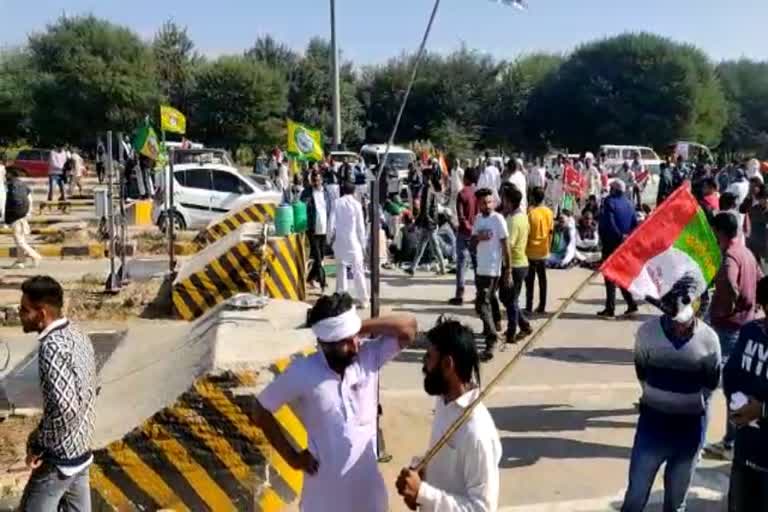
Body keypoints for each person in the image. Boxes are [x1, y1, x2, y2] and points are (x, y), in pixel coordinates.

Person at [253, 293, 417, 512]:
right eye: (345, 342)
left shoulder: (369, 355)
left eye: (354, 337)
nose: (355, 346)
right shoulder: (303, 371)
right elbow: (259, 410)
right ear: (326, 344)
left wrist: (356, 328)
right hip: (323, 501)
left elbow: (409, 327)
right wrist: (292, 458)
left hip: (369, 498)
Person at [620, 280, 721, 512]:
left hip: (689, 433)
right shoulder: (646, 333)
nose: (680, 326)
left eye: (685, 321)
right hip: (651, 429)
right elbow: (642, 373)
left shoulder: (709, 340)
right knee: (635, 496)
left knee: (676, 503)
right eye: (675, 320)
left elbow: (710, 384)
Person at [396, 319, 501, 511]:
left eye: (429, 357)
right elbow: (445, 463)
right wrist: (421, 472)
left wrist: (423, 493)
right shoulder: (444, 400)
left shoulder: (477, 431)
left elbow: (482, 508)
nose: (424, 365)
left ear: (447, 364)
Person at [18, 276, 96, 511]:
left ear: (41, 314)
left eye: (24, 310)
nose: (19, 314)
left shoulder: (52, 347)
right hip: (81, 451)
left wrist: (38, 443)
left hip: (59, 460)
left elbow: (65, 408)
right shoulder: (77, 333)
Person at [704, 212, 762, 460]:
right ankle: (732, 439)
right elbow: (760, 279)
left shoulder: (729, 257)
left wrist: (732, 305)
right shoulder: (747, 253)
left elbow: (728, 284)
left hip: (728, 327)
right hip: (744, 325)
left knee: (724, 386)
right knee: (737, 388)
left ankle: (729, 443)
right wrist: (752, 306)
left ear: (720, 232)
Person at [724, 276, 768, 510]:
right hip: (745, 449)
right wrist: (736, 402)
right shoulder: (750, 332)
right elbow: (731, 373)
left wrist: (761, 410)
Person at [472, 188, 510, 361]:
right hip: (480, 268)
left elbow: (505, 245)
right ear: (478, 204)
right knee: (487, 299)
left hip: (493, 269)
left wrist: (507, 269)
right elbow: (472, 243)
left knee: (482, 303)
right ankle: (495, 323)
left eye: (489, 202)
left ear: (493, 202)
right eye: (483, 203)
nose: (487, 206)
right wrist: (478, 238)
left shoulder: (498, 219)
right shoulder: (478, 219)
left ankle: (491, 339)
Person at [598, 180, 639, 318]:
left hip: (611, 243)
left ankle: (610, 308)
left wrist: (619, 236)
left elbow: (610, 222)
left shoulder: (609, 201)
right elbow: (634, 223)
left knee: (609, 276)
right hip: (625, 245)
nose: (609, 189)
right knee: (620, 274)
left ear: (614, 189)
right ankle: (631, 303)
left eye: (611, 187)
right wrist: (627, 237)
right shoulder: (629, 203)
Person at [500, 185, 532, 343]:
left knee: (510, 299)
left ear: (510, 202)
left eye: (504, 200)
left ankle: (512, 331)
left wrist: (508, 269)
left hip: (514, 264)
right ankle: (523, 324)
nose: (503, 202)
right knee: (508, 298)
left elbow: (508, 245)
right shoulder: (522, 216)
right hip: (521, 263)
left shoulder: (512, 221)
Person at [328, 182, 369, 307]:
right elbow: (361, 227)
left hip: (340, 242)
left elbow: (331, 223)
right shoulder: (357, 205)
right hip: (353, 242)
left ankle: (341, 299)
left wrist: (329, 239)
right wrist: (363, 245)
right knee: (358, 271)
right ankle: (363, 299)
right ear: (354, 192)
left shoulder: (336, 203)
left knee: (341, 271)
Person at [408, 169, 446, 276]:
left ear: (427, 177)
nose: (422, 178)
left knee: (435, 246)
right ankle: (412, 268)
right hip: (428, 222)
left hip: (429, 223)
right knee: (421, 246)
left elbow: (425, 208)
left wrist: (417, 223)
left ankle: (442, 268)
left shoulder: (427, 189)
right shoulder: (430, 188)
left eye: (423, 176)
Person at [450, 167, 478, 305]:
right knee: (477, 264)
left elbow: (461, 216)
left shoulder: (462, 194)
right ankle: (480, 294)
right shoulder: (478, 194)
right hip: (476, 233)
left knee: (461, 264)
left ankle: (459, 294)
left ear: (466, 178)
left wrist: (466, 227)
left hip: (464, 233)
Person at [302, 171, 334, 291]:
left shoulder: (326, 192)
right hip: (313, 228)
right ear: (311, 181)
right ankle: (322, 283)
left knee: (320, 257)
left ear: (321, 180)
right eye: (314, 180)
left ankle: (310, 278)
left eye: (318, 180)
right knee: (318, 256)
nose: (316, 182)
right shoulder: (307, 193)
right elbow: (302, 206)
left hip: (324, 228)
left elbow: (330, 209)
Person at [525, 187, 553, 315]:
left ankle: (529, 306)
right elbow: (551, 232)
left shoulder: (531, 213)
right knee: (543, 280)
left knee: (529, 281)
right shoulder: (549, 212)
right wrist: (549, 247)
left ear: (533, 198)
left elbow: (527, 233)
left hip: (531, 251)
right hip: (543, 250)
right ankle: (542, 306)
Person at [6, 173, 41, 269]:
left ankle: (35, 256)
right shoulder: (22, 184)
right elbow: (30, 198)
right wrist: (28, 212)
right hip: (23, 214)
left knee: (19, 240)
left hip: (15, 216)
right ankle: (20, 261)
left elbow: (9, 202)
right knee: (20, 239)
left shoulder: (10, 187)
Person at [743, 187, 768, 271]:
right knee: (757, 268)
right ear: (759, 199)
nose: (766, 200)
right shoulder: (753, 209)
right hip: (754, 243)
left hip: (765, 246)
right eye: (764, 198)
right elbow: (742, 210)